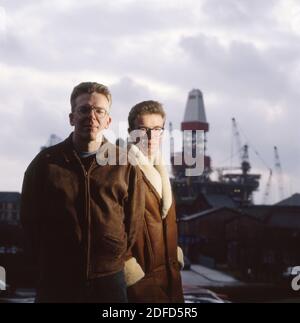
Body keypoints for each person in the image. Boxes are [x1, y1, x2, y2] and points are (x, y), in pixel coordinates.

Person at [20, 82, 144, 303]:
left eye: (99, 111)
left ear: (108, 120)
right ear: (71, 117)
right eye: (84, 109)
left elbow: (133, 223)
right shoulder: (46, 164)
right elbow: (29, 220)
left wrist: (113, 255)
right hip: (57, 280)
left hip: (109, 280)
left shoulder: (125, 164)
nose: (91, 116)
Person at [124, 100, 184, 303]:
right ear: (130, 132)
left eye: (157, 130)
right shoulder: (121, 171)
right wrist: (133, 276)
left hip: (169, 279)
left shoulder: (160, 171)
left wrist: (173, 254)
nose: (150, 137)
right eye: (143, 129)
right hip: (140, 286)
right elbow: (108, 232)